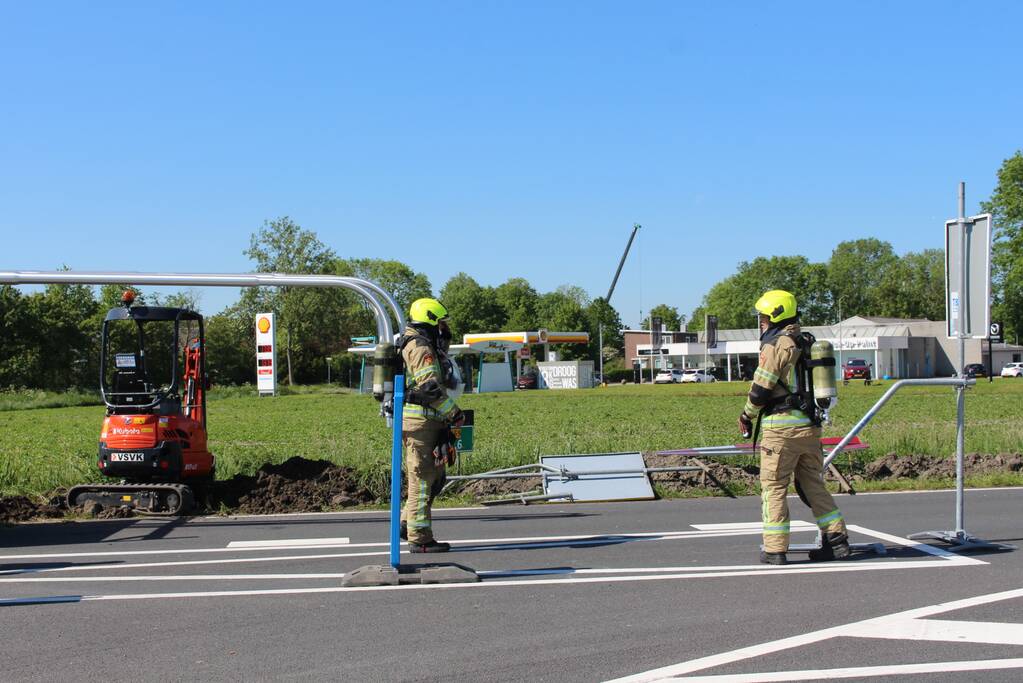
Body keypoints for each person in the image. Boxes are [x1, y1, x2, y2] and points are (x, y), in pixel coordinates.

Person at [739, 289, 850, 565]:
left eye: (763, 317)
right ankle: (837, 541)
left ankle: (775, 549)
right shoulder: (804, 341)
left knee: (774, 487)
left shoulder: (776, 344)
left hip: (780, 430)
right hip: (809, 427)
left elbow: (760, 389)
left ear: (775, 315)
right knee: (813, 484)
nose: (761, 322)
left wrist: (746, 415)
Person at [398, 297, 464, 553]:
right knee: (423, 479)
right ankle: (420, 538)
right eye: (440, 324)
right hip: (421, 422)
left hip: (427, 420)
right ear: (429, 322)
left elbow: (441, 358)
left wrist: (445, 335)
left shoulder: (424, 343)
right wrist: (453, 413)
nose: (442, 329)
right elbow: (429, 387)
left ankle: (406, 523)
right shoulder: (419, 346)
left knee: (434, 477)